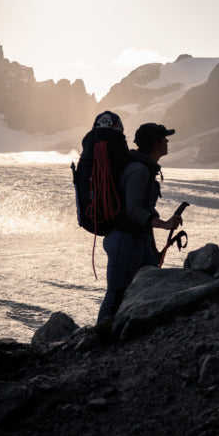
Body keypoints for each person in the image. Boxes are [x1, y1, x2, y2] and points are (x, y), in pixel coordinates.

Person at [96, 122, 184, 327]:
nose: (167, 141)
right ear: (155, 143)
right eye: (164, 137)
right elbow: (133, 210)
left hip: (136, 239)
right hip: (124, 240)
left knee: (150, 286)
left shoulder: (143, 168)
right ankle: (96, 343)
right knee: (116, 294)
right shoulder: (139, 170)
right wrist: (164, 224)